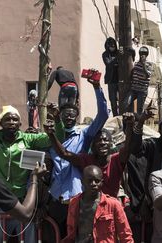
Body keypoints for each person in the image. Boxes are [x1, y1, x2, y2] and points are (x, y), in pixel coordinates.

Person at [0, 90, 64, 242]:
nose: (11, 123)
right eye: (7, 120)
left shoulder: (28, 139)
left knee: (28, 239)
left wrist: (57, 119)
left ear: (20, 123)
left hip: (22, 202)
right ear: (1, 123)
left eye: (15, 120)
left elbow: (56, 139)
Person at [48, 77, 108, 237]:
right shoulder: (50, 136)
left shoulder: (84, 135)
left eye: (72, 115)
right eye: (65, 115)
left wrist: (96, 87)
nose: (68, 117)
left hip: (76, 199)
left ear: (76, 116)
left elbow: (103, 115)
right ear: (59, 116)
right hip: (55, 198)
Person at [45, 112, 134, 197]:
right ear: (93, 146)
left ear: (111, 144)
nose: (102, 143)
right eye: (98, 141)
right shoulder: (86, 160)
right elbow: (64, 153)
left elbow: (128, 147)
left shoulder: (116, 160)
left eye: (105, 140)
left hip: (110, 208)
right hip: (89, 206)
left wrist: (130, 126)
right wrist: (51, 134)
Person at [63, 165, 134, 243]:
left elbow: (125, 234)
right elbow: (71, 231)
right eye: (89, 180)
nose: (93, 184)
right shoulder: (74, 203)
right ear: (82, 181)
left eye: (97, 181)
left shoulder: (113, 204)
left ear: (101, 182)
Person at [124, 46, 152, 114]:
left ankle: (138, 123)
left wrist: (143, 65)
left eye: (144, 54)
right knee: (126, 103)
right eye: (142, 54)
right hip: (134, 89)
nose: (143, 56)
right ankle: (129, 118)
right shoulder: (136, 63)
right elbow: (132, 73)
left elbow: (148, 75)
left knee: (139, 110)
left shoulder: (149, 64)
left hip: (142, 91)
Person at [102, 37, 120, 116]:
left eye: (114, 46)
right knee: (112, 100)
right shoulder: (105, 54)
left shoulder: (118, 52)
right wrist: (117, 59)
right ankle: (115, 116)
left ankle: (122, 115)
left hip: (120, 79)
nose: (113, 47)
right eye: (111, 46)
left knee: (122, 99)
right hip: (111, 80)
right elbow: (108, 64)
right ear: (107, 46)